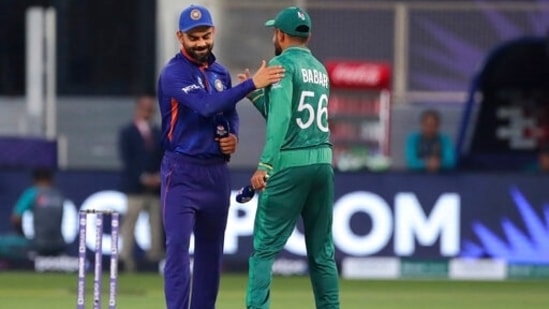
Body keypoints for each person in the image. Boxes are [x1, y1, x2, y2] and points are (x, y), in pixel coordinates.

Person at [156, 4, 284, 309]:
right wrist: (252, 83)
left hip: (215, 174)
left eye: (205, 35)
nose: (201, 43)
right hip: (181, 173)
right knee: (177, 248)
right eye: (193, 37)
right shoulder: (173, 73)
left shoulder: (219, 72)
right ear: (180, 37)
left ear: (213, 33)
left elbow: (228, 112)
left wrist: (233, 136)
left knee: (211, 254)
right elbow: (206, 106)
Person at [239, 6, 340, 309]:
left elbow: (282, 120)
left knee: (263, 252)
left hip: (290, 165)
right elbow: (295, 118)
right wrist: (256, 96)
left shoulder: (281, 64)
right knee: (322, 252)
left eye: (274, 32)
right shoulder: (320, 69)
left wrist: (265, 165)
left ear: (280, 35)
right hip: (322, 162)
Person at [118, 94, 164, 272]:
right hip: (135, 187)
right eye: (145, 108)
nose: (148, 112)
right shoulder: (127, 132)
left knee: (155, 225)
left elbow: (163, 157)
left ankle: (153, 260)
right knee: (130, 222)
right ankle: (125, 259)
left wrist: (158, 177)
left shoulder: (158, 133)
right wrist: (142, 177)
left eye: (150, 109)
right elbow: (127, 159)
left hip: (155, 188)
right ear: (137, 109)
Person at [0, 168, 65, 260]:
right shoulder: (58, 194)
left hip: (38, 244)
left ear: (34, 180)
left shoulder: (33, 193)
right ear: (51, 180)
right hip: (60, 244)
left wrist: (21, 234)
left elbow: (16, 218)